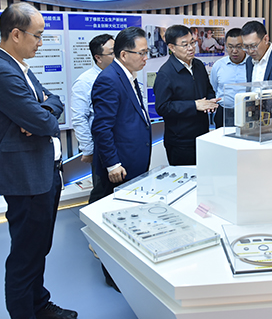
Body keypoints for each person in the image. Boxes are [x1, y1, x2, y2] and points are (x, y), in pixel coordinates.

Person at [0, 2, 77, 319]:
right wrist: (41, 115)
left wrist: (42, 111)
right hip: (26, 178)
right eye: (37, 35)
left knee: (38, 249)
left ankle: (39, 304)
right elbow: (45, 122)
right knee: (25, 255)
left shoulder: (19, 66)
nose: (40, 42)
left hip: (43, 172)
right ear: (16, 34)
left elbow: (55, 102)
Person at [90, 26, 152, 202]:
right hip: (120, 165)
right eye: (141, 53)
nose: (145, 58)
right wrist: (113, 164)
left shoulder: (127, 75)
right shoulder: (109, 80)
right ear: (124, 55)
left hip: (132, 159)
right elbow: (102, 128)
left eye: (146, 52)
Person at [154, 24, 218, 165]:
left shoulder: (198, 65)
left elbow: (208, 88)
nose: (191, 48)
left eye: (192, 43)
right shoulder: (165, 73)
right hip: (180, 142)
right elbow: (162, 107)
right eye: (185, 45)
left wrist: (210, 101)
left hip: (202, 135)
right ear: (172, 47)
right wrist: (194, 105)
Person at [70, 34, 114, 200]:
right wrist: (89, 149)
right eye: (112, 52)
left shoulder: (121, 75)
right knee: (102, 192)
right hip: (101, 146)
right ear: (98, 57)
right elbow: (79, 118)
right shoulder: (85, 81)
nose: (117, 55)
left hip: (122, 143)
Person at [209, 28, 247, 128]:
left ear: (245, 45)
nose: (234, 51)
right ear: (225, 45)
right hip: (224, 111)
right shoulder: (218, 65)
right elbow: (214, 87)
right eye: (230, 47)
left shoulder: (252, 64)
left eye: (239, 46)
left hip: (247, 112)